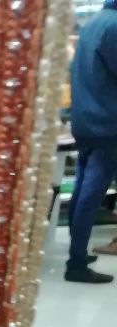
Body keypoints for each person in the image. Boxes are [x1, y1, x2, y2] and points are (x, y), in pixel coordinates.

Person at [67, 0, 117, 284]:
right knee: (91, 194)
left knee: (82, 189)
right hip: (106, 122)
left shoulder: (94, 24)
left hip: (85, 119)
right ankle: (75, 263)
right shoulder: (114, 27)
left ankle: (77, 252)